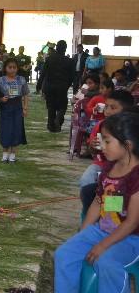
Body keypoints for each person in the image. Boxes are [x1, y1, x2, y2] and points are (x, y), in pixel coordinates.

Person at [55, 112, 139, 293]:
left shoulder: (136, 177)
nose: (102, 145)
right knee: (64, 254)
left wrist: (103, 245)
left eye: (107, 141)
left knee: (106, 262)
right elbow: (98, 203)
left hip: (132, 239)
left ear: (127, 145)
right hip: (102, 231)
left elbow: (132, 222)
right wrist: (83, 233)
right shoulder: (109, 169)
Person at [79, 90, 135, 214]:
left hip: (121, 170)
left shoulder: (131, 130)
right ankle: (94, 218)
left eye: (113, 107)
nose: (107, 111)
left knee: (113, 198)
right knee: (87, 185)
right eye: (106, 106)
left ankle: (109, 219)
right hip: (102, 165)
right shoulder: (101, 125)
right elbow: (95, 151)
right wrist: (93, 147)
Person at [0, 58, 29, 163]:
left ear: (17, 69)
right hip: (5, 108)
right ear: (5, 68)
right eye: (10, 67)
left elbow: (26, 94)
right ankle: (5, 155)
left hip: (18, 108)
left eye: (14, 67)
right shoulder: (0, 80)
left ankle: (13, 155)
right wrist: (0, 99)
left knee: (17, 130)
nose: (12, 70)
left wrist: (25, 108)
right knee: (5, 130)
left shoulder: (22, 80)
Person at [37, 40, 75, 132]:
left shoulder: (49, 59)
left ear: (56, 47)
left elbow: (43, 73)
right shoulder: (69, 61)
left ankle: (51, 126)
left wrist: (39, 85)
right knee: (62, 106)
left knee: (51, 106)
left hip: (49, 86)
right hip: (62, 86)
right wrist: (67, 85)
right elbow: (72, 76)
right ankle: (58, 118)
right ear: (65, 49)